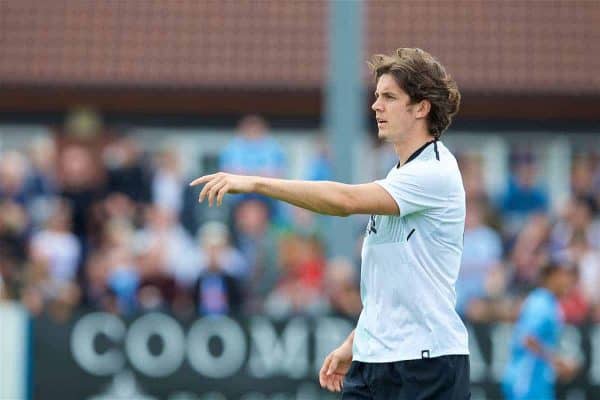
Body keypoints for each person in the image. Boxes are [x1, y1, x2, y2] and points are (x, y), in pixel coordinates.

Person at [190, 48, 468, 399]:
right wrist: (356, 341)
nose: (376, 105)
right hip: (375, 358)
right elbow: (391, 288)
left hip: (427, 363)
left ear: (421, 107)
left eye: (389, 97)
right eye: (377, 95)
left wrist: (254, 182)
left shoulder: (435, 172)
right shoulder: (400, 174)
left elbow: (343, 201)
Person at [502, 261, 580, 400]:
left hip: (538, 381)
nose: (568, 280)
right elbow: (528, 339)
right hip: (526, 380)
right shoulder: (541, 303)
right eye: (564, 275)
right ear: (552, 276)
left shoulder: (547, 301)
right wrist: (558, 361)